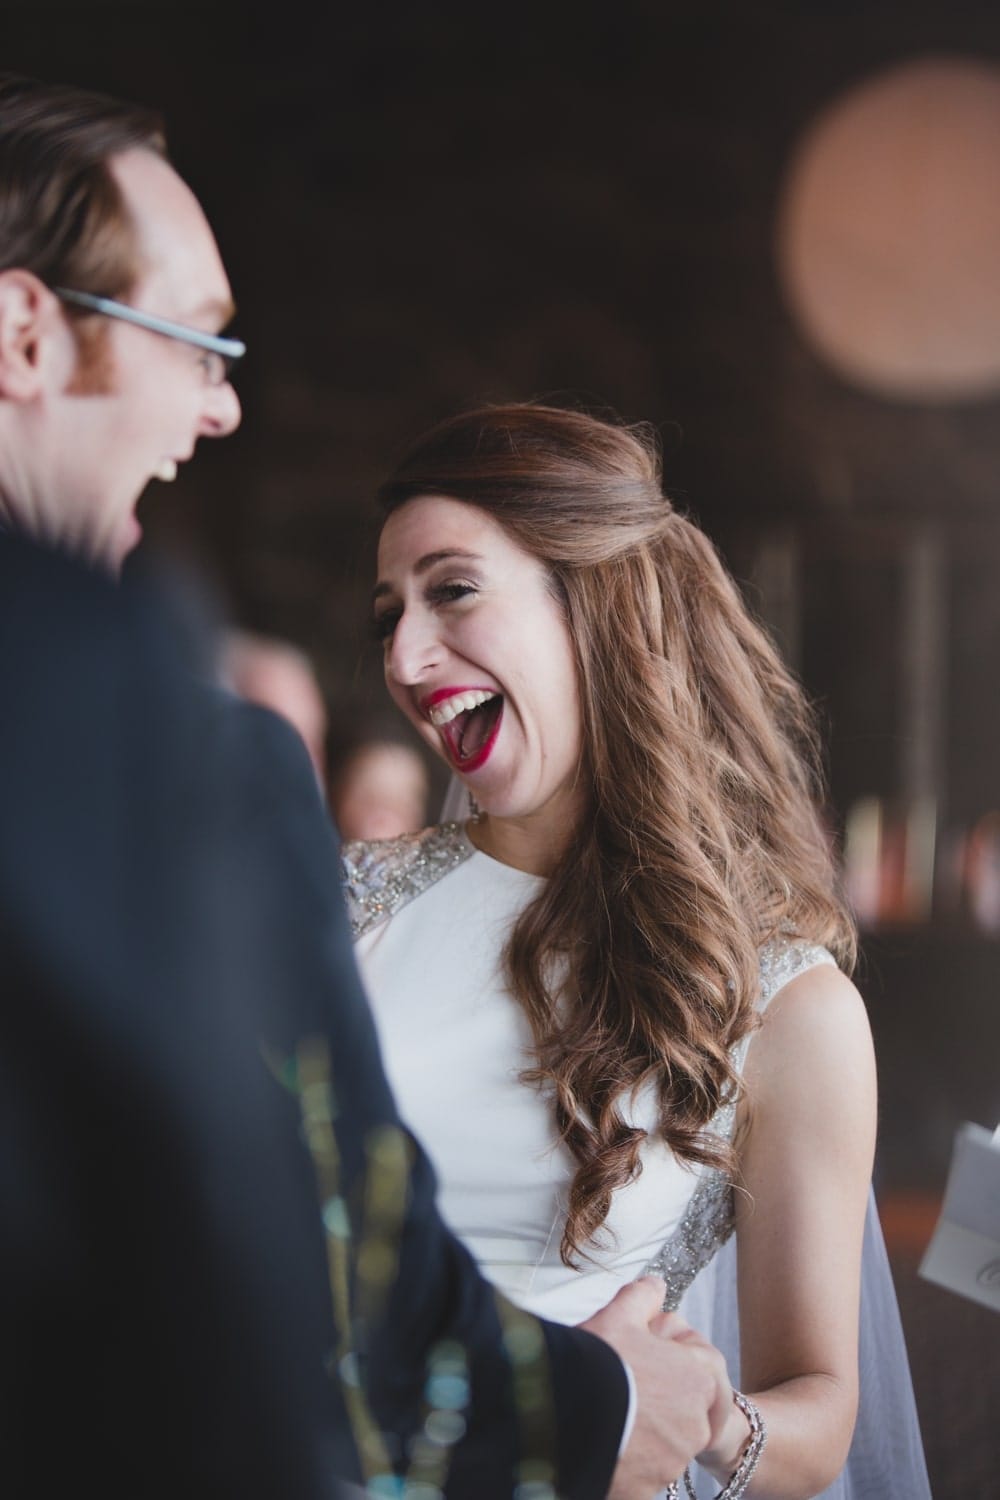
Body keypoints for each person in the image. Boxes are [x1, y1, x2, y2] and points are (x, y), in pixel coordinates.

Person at [0, 75, 731, 1499]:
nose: (218, 409)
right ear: (26, 332)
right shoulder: (150, 722)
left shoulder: (778, 986)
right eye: (198, 342)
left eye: (454, 591)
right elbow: (294, 1262)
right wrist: (596, 1407)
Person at [344, 402, 933, 1499]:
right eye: (388, 616)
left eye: (452, 591)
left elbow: (818, 1414)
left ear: (595, 603)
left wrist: (702, 1416)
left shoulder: (786, 1006)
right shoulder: (344, 910)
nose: (407, 657)